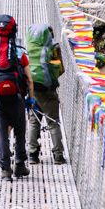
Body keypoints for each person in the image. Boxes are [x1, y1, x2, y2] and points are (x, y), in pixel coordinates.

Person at [0, 15, 35, 182]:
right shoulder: (18, 51)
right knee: (20, 131)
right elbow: (30, 80)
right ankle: (19, 165)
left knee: (2, 133)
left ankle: (5, 171)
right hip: (17, 98)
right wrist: (30, 100)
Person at [27, 24, 66, 165]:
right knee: (53, 121)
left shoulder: (29, 48)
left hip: (33, 90)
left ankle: (32, 154)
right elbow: (61, 69)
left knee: (33, 121)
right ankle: (58, 156)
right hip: (48, 90)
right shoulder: (53, 48)